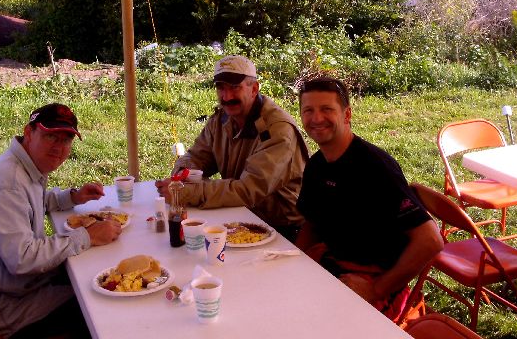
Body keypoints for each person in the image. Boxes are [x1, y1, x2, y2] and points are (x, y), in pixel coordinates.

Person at [0, 103, 122, 338]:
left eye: (66, 140)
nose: (59, 148)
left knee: (97, 276)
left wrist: (72, 197)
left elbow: (32, 203)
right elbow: (22, 259)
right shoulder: (8, 184)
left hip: (17, 289)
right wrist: (88, 235)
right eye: (51, 136)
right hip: (5, 311)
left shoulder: (24, 166)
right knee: (101, 303)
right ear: (29, 132)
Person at [295, 76, 443, 321]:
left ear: (347, 114)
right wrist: (294, 262)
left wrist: (376, 289)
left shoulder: (376, 167)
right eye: (308, 110)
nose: (316, 118)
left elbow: (430, 240)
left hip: (373, 279)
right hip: (333, 262)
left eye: (326, 109)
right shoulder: (317, 165)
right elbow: (312, 223)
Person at [155, 55, 309, 241]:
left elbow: (248, 190)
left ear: (254, 89)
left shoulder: (277, 129)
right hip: (240, 216)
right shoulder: (220, 121)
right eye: (221, 88)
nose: (226, 97)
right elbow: (196, 156)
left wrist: (187, 193)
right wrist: (180, 177)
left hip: (282, 229)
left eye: (235, 87)